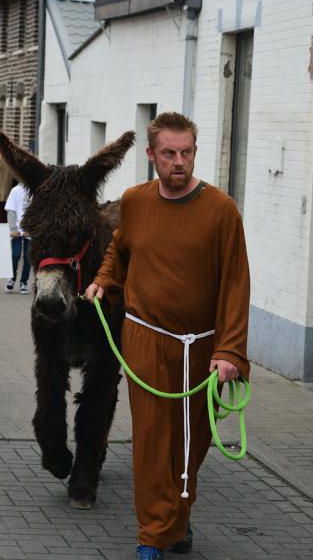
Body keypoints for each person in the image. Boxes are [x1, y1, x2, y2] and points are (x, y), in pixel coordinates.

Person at [86, 112, 251, 560]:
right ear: (152, 155)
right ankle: (152, 536)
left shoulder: (221, 209)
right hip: (145, 338)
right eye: (169, 154)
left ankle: (175, 517)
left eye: (187, 152)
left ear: (194, 151)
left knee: (192, 440)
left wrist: (230, 350)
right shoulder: (135, 201)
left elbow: (237, 282)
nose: (179, 162)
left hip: (203, 347)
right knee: (154, 442)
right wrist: (105, 279)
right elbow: (120, 249)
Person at [4, 182, 31, 294]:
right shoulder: (15, 190)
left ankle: (23, 282)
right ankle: (11, 278)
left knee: (28, 257)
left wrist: (31, 229)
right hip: (17, 231)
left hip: (29, 232)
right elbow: (11, 210)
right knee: (15, 255)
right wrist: (13, 229)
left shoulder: (35, 191)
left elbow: (38, 213)